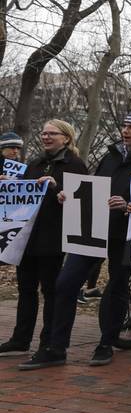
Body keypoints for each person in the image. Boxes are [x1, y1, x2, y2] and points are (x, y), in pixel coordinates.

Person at [21, 111, 131, 370]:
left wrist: (129, 205)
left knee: (117, 285)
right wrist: (70, 195)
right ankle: (56, 348)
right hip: (94, 227)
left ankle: (106, 343)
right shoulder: (111, 155)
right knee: (65, 283)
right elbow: (93, 187)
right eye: (124, 126)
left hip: (126, 232)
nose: (125, 131)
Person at [0, 121, 88, 358]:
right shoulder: (36, 163)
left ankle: (48, 341)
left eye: (52, 133)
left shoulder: (75, 165)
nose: (46, 137)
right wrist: (10, 186)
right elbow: (23, 194)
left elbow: (81, 200)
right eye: (44, 133)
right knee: (26, 289)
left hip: (53, 237)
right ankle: (20, 338)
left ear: (66, 138)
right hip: (27, 237)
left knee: (51, 292)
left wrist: (57, 187)